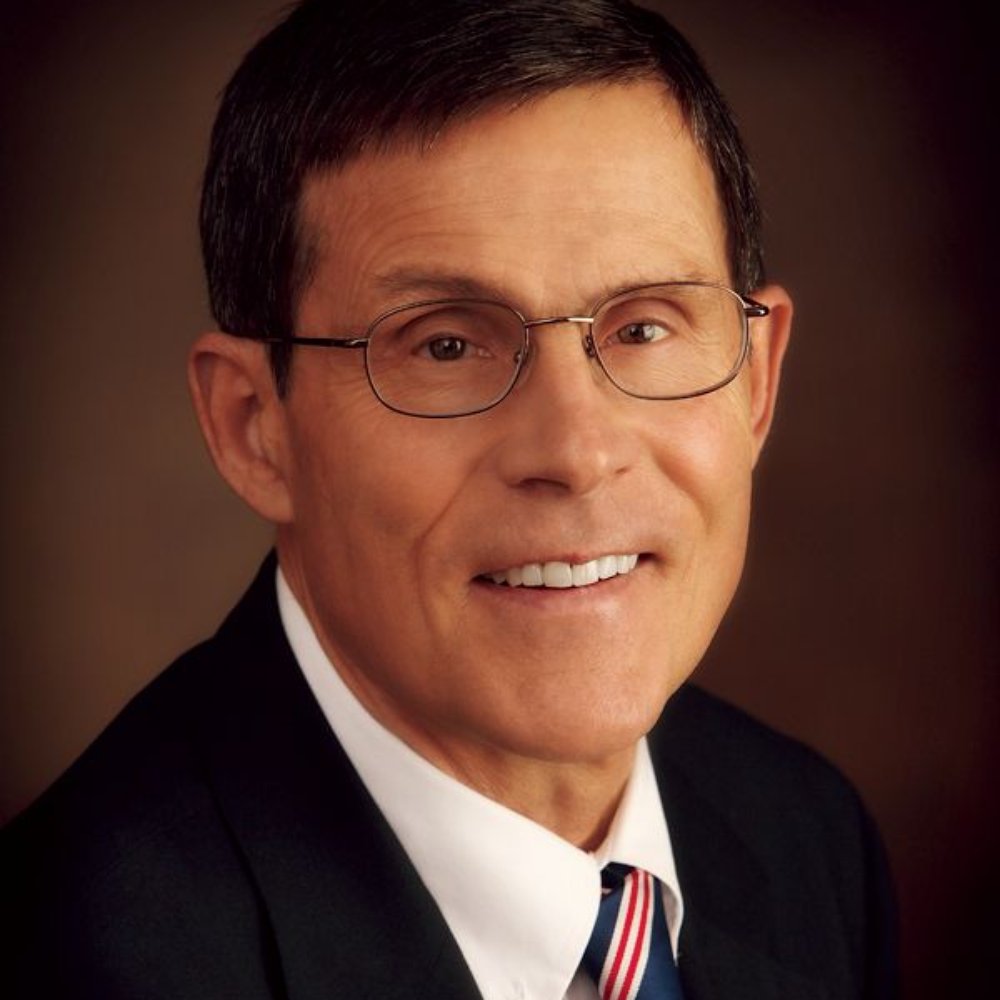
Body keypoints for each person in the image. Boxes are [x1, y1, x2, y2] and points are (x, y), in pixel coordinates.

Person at [2, 1, 898, 997]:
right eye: (445, 345)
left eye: (644, 328)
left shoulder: (806, 837)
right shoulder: (78, 957)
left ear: (757, 381)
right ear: (256, 427)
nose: (576, 451)